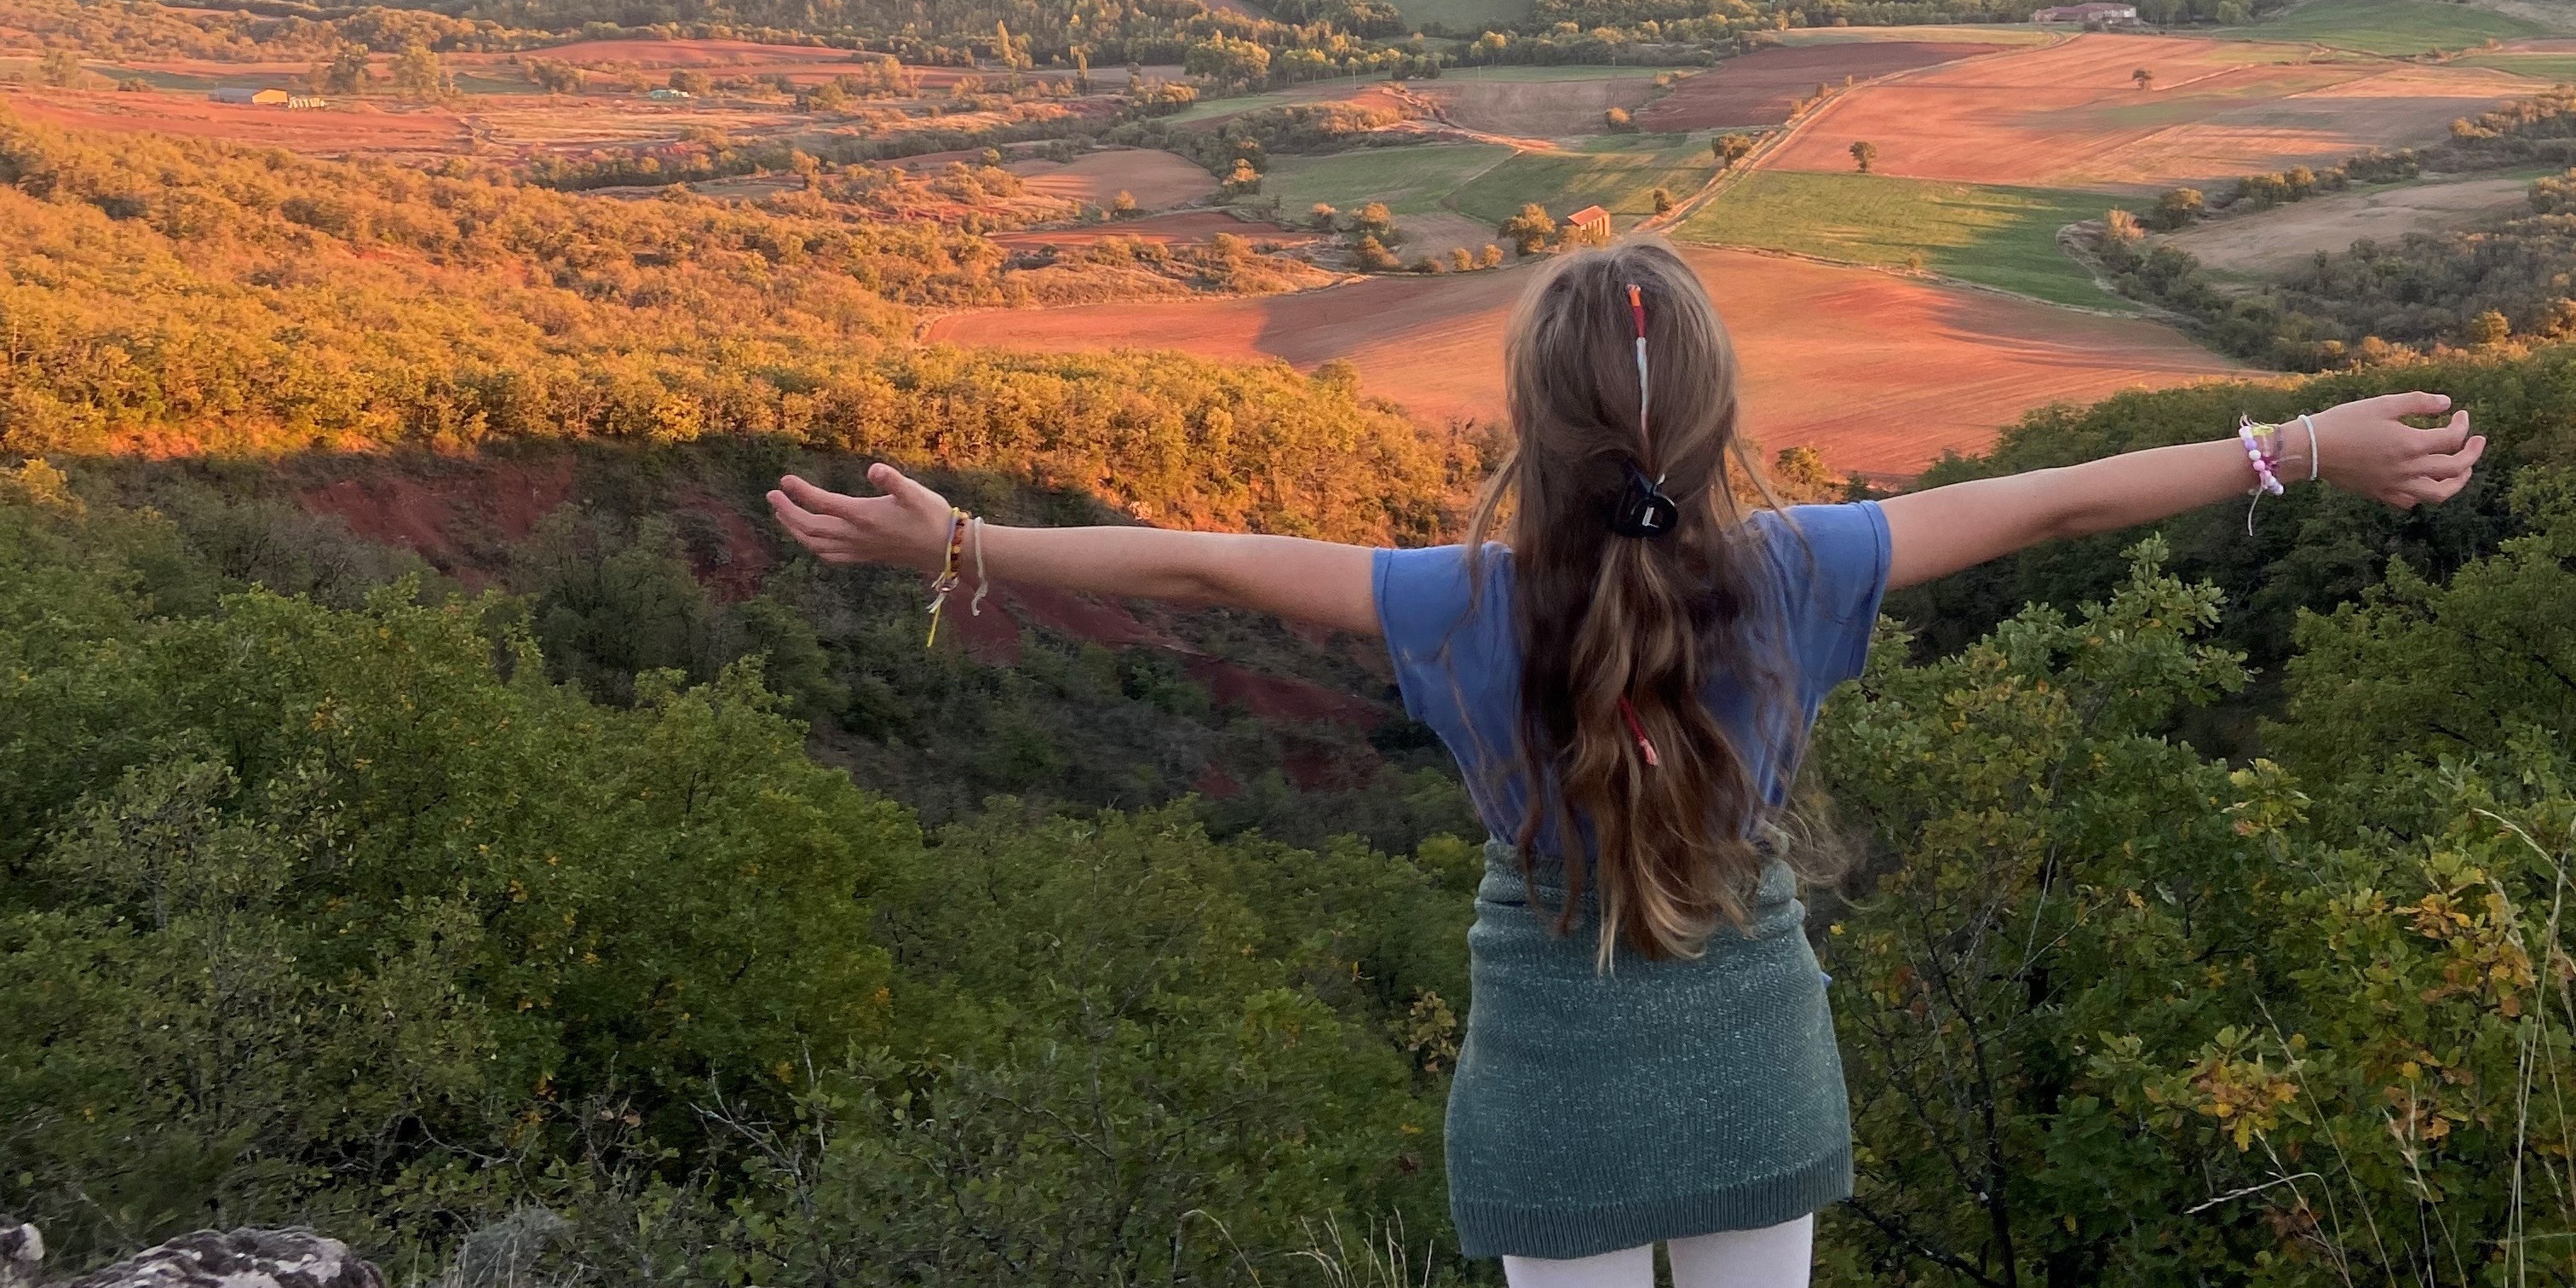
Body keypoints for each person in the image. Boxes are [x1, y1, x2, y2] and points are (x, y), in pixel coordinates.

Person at [768, 234, 2487, 1288]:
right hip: (1759, 1070)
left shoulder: (1454, 601)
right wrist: (2296, 446)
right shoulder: (1803, 568)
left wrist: (963, 543)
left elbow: (1207, 566)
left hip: (1548, 1094)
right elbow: (2058, 502)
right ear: (1721, 422)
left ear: (1529, 424)